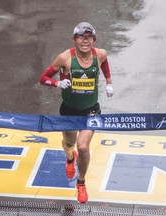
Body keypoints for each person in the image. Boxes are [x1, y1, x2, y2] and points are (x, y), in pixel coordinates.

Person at [39, 22, 114, 203]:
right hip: (69, 112)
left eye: (89, 37)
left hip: (91, 111)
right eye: (81, 37)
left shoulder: (100, 54)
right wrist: (57, 83)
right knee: (70, 143)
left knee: (83, 147)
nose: (85, 41)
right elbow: (43, 78)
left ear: (94, 40)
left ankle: (81, 183)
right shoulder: (65, 58)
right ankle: (70, 158)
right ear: (74, 40)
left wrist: (109, 81)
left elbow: (104, 64)